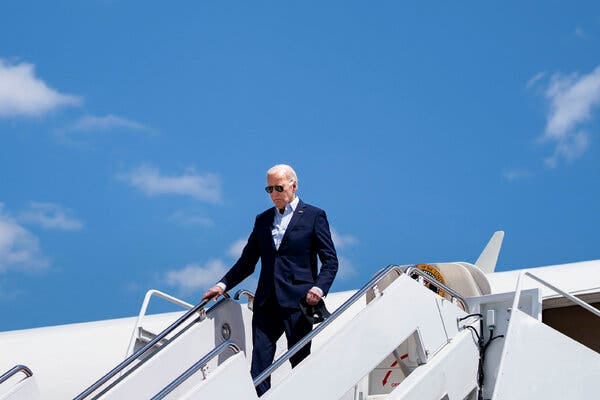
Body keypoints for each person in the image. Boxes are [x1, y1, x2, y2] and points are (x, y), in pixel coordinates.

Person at [202, 164, 339, 396]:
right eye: (269, 189)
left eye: (279, 187)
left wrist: (319, 288)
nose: (274, 193)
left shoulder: (315, 216)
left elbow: (330, 261)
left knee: (300, 362)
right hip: (266, 303)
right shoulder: (263, 220)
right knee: (259, 365)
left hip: (299, 302)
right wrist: (222, 284)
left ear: (293, 185)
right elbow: (247, 262)